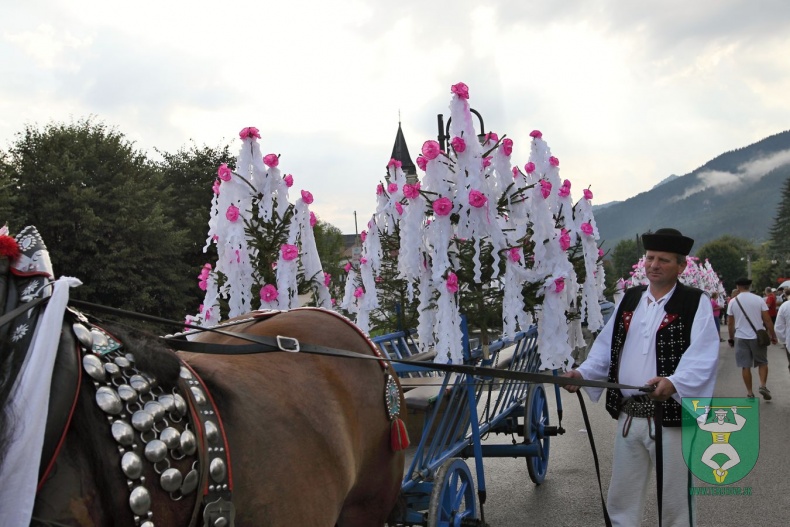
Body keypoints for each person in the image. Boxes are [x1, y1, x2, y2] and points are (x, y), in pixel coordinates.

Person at [563, 228, 719, 527]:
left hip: (671, 416)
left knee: (675, 499)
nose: (653, 265)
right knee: (622, 495)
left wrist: (674, 382)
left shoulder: (693, 301)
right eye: (649, 258)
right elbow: (608, 346)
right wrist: (582, 373)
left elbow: (703, 354)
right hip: (629, 414)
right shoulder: (631, 298)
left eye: (663, 259)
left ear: (681, 266)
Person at [727, 278, 778, 399]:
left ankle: (750, 393)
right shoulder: (758, 299)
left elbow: (730, 323)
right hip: (757, 337)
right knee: (763, 362)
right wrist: (773, 335)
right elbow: (767, 320)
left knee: (745, 366)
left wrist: (731, 338)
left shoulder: (733, 301)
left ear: (737, 286)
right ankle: (763, 385)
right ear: (750, 286)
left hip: (740, 337)